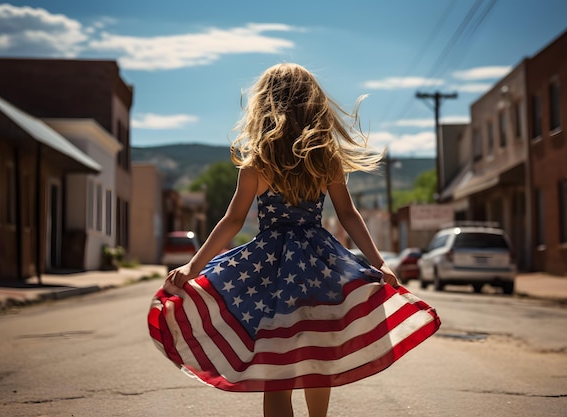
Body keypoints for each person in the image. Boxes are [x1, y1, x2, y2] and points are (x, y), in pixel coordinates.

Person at [148, 63, 440, 417]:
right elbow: (349, 215)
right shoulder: (326, 160)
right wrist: (377, 262)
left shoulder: (257, 164)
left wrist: (194, 267)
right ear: (314, 105)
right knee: (317, 356)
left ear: (265, 105)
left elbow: (232, 220)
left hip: (269, 272)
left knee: (277, 366)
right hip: (320, 267)